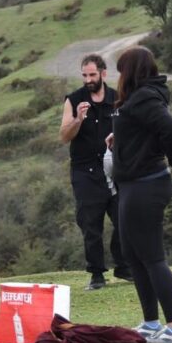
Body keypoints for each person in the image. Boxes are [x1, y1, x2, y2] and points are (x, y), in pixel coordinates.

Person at [107, 46, 172, 343]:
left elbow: (171, 129)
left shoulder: (144, 97)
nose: (119, 77)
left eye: (121, 70)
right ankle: (151, 322)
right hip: (131, 185)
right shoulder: (136, 98)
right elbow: (146, 131)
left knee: (153, 257)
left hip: (146, 185)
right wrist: (121, 139)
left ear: (131, 71)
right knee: (133, 256)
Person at [59, 54, 133, 291]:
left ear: (103, 73)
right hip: (85, 171)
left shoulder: (117, 98)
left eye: (92, 75)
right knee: (91, 224)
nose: (88, 80)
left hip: (114, 168)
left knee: (124, 217)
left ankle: (123, 267)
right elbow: (64, 136)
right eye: (84, 75)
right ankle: (97, 274)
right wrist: (78, 119)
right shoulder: (73, 100)